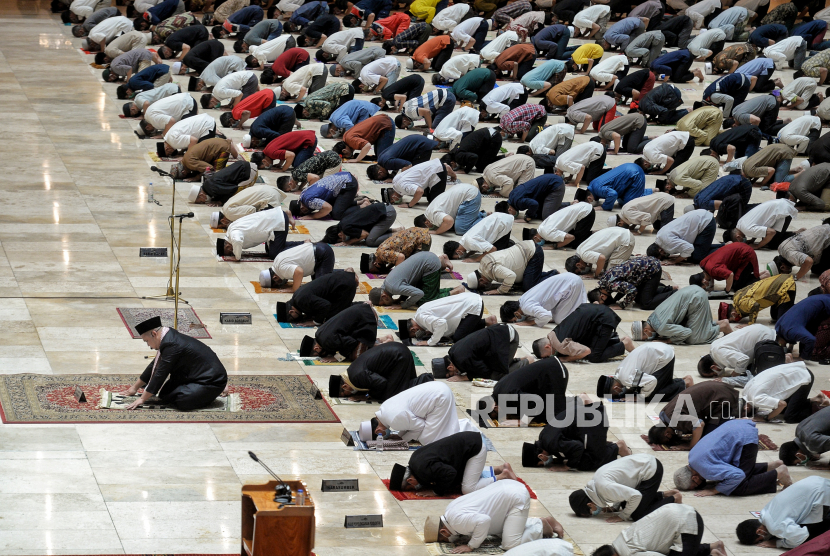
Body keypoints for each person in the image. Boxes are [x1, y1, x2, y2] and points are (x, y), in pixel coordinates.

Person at [121, 316, 228, 411]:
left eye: (147, 341)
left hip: (211, 380)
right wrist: (134, 388)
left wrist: (142, 399)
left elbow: (160, 374)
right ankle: (198, 393)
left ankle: (212, 393)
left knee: (183, 401)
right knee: (165, 394)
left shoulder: (171, 344)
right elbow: (154, 366)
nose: (148, 345)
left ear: (154, 334)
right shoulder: (167, 337)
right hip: (194, 376)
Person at [424, 479, 563, 551]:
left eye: (444, 539)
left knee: (510, 545)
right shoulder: (450, 511)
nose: (449, 541)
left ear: (443, 531)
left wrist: (471, 546)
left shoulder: (457, 523)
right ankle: (535, 523)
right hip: (506, 488)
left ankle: (540, 524)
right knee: (501, 532)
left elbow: (484, 520)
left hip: (515, 498)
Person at [673, 419, 789, 497]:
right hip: (737, 426)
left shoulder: (705, 470)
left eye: (694, 487)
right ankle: (770, 466)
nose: (698, 487)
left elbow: (738, 476)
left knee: (737, 486)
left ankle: (779, 473)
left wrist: (713, 490)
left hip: (745, 438)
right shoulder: (692, 457)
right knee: (729, 477)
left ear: (695, 478)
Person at [389, 431, 517, 496]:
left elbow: (450, 473)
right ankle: (500, 468)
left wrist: (435, 491)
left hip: (474, 448)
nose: (416, 488)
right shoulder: (414, 461)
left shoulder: (425, 470)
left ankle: (503, 476)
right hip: (469, 442)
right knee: (466, 476)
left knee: (467, 489)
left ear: (410, 480)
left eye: (411, 488)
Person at [522, 397, 630, 471]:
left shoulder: (552, 445)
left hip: (594, 420)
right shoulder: (543, 437)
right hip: (588, 414)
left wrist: (567, 467)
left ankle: (618, 447)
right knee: (575, 455)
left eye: (542, 463)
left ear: (541, 456)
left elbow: (578, 447)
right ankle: (599, 442)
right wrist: (560, 460)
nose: (546, 463)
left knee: (586, 462)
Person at [571, 454, 680, 522]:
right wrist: (615, 507)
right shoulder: (596, 484)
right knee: (626, 504)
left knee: (637, 514)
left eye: (591, 512)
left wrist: (622, 516)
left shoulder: (605, 488)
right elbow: (620, 489)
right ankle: (663, 495)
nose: (596, 513)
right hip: (643, 464)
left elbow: (636, 496)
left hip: (650, 470)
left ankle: (674, 498)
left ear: (590, 504)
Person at [365, 381, 473, 445]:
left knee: (428, 440)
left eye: (382, 437)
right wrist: (400, 435)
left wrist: (402, 439)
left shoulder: (393, 420)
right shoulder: (384, 408)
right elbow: (408, 422)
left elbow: (420, 426)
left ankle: (466, 427)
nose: (385, 437)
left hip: (439, 397)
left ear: (378, 431)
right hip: (437, 387)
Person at [736, 476, 830, 549]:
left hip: (821, 493)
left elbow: (801, 536)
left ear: (759, 531)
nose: (762, 541)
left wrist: (778, 543)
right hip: (814, 482)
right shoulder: (765, 512)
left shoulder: (775, 527)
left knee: (810, 539)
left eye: (759, 540)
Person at [594, 505, 726, 556]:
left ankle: (714, 555)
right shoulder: (620, 540)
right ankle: (713, 547)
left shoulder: (633, 554)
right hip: (677, 512)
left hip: (688, 523)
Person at [330, 341, 432, 402]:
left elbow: (382, 382)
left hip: (398, 356)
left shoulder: (357, 377)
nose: (350, 395)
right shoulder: (351, 372)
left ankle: (426, 379)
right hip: (397, 351)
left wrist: (367, 396)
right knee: (402, 383)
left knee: (391, 396)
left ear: (344, 386)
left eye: (346, 394)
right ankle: (421, 383)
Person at [650, 380, 741, 447]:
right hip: (717, 390)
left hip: (722, 398)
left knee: (709, 440)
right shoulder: (663, 414)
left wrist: (691, 446)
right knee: (701, 434)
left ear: (667, 435)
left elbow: (699, 424)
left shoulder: (674, 420)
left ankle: (741, 427)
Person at [532, 303, 629, 363]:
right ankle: (618, 341)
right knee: (591, 346)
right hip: (595, 313)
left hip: (603, 319)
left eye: (547, 355)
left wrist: (566, 359)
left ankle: (625, 344)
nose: (550, 356)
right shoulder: (552, 334)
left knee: (594, 356)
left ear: (547, 346)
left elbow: (586, 351)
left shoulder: (560, 345)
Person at [632, 285, 730, 344]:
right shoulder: (653, 316)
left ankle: (723, 326)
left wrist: (667, 341)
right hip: (693, 290)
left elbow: (687, 332)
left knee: (693, 339)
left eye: (645, 338)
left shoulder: (661, 328)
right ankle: (717, 323)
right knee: (692, 327)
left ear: (646, 330)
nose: (648, 339)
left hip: (696, 298)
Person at [434, 323, 530, 381]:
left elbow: (486, 373)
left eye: (450, 374)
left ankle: (528, 361)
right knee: (493, 366)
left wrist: (464, 377)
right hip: (500, 331)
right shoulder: (453, 351)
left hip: (507, 338)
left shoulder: (463, 360)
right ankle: (515, 360)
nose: (455, 375)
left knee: (497, 375)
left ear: (450, 367)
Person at [597, 343, 690, 402]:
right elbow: (637, 377)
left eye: (616, 394)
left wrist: (639, 398)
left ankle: (685, 383)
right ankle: (679, 382)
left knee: (651, 396)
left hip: (664, 357)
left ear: (616, 388)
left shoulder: (626, 379)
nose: (620, 394)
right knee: (643, 389)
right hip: (659, 349)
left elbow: (652, 381)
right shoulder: (619, 372)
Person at [486, 357, 570, 422]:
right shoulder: (497, 389)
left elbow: (536, 402)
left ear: (495, 406)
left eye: (497, 414)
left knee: (556, 418)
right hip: (548, 367)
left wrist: (522, 422)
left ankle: (581, 400)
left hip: (555, 371)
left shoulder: (509, 396)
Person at [368, 251, 457, 309]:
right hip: (426, 258)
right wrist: (399, 299)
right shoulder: (386, 284)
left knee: (425, 302)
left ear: (384, 296)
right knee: (426, 294)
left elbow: (419, 294)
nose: (386, 305)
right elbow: (406, 287)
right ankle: (442, 262)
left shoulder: (393, 287)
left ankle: (456, 291)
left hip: (430, 265)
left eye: (383, 304)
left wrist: (402, 306)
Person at [399, 291, 492, 347]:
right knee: (453, 333)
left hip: (473, 306)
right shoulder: (419, 313)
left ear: (414, 329)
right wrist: (431, 330)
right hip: (470, 298)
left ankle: (485, 327)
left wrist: (430, 342)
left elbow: (441, 323)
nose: (417, 336)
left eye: (414, 335)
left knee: (458, 338)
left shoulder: (422, 318)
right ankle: (486, 321)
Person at [466, 239, 558, 294]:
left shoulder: (492, 269)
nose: (486, 287)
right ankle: (539, 275)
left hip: (532, 253)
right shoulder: (483, 264)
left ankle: (553, 275)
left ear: (481, 280)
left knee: (529, 287)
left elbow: (511, 276)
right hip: (524, 248)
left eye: (482, 286)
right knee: (520, 282)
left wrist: (500, 291)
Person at [299, 303, 385, 362]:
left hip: (368, 317)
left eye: (318, 354)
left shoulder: (327, 342)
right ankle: (383, 339)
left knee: (357, 356)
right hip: (362, 313)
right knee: (350, 351)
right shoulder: (319, 334)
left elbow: (351, 342)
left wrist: (336, 358)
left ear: (316, 348)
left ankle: (385, 346)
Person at [698, 322, 778, 383]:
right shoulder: (713, 347)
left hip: (766, 339)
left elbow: (743, 359)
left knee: (761, 377)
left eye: (714, 374)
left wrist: (733, 376)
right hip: (762, 330)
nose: (717, 374)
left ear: (713, 367)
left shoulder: (720, 354)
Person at [500, 272, 587, 327]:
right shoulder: (522, 300)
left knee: (560, 320)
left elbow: (546, 316)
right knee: (556, 315)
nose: (518, 320)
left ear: (516, 314)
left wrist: (531, 322)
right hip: (569, 279)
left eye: (515, 319)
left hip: (571, 284)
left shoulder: (526, 307)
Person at [590, 256, 675, 310]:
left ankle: (674, 294)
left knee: (646, 304)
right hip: (644, 268)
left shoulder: (611, 285)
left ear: (602, 296)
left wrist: (622, 305)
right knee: (638, 298)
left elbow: (632, 290)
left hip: (652, 270)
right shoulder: (604, 281)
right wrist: (616, 300)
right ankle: (668, 289)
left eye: (602, 302)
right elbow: (623, 288)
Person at [277, 269, 358, 325]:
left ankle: (363, 305)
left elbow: (326, 305)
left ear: (291, 311)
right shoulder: (296, 297)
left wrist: (315, 322)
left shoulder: (302, 301)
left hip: (345, 285)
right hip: (342, 278)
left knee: (333, 318)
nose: (295, 319)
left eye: (292, 318)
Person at [741, 360, 814, 422]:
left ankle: (818, 410)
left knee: (790, 417)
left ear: (746, 408)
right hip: (795, 370)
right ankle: (815, 399)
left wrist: (765, 418)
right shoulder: (745, 391)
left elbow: (783, 404)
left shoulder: (756, 399)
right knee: (779, 410)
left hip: (803, 377)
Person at [217, 207, 299, 261]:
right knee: (270, 250)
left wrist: (236, 257)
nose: (232, 252)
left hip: (278, 222)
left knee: (275, 254)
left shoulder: (234, 234)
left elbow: (237, 241)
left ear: (227, 247)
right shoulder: (231, 228)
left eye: (230, 252)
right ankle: (286, 215)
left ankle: (303, 244)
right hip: (274, 216)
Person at [259, 240, 335, 292]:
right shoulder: (276, 261)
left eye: (277, 284)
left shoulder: (281, 270)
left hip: (322, 255)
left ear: (275, 277)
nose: (282, 284)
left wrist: (294, 289)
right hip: (319, 248)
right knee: (314, 286)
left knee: (322, 288)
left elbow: (299, 271)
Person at [649, 209, 718, 265]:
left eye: (662, 256)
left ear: (660, 250)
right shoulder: (659, 237)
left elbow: (689, 248)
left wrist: (675, 261)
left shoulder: (667, 243)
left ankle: (724, 247)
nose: (664, 256)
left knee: (697, 257)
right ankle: (723, 245)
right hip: (700, 216)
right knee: (696, 251)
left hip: (706, 222)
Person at [724, 273, 797, 325]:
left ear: (733, 314)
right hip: (779, 281)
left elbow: (755, 305)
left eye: (733, 320)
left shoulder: (741, 304)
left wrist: (750, 324)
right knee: (774, 316)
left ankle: (799, 309)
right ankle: (789, 307)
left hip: (786, 286)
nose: (736, 320)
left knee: (782, 323)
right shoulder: (736, 296)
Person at [729, 198, 799, 250]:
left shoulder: (747, 229)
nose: (743, 242)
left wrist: (757, 246)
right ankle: (794, 233)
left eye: (741, 241)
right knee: (766, 238)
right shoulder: (739, 223)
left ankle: (798, 234)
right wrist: (753, 240)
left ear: (738, 237)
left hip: (783, 211)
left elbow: (772, 232)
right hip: (780, 205)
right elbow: (757, 224)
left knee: (773, 244)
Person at [565, 227, 636, 279]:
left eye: (580, 270)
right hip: (620, 233)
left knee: (611, 274)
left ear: (578, 264)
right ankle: (628, 257)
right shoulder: (579, 250)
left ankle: (637, 260)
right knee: (605, 268)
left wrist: (595, 275)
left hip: (625, 240)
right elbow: (593, 255)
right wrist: (590, 266)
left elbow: (602, 258)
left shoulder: (584, 255)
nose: (583, 271)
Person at [691, 242, 761, 293]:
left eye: (704, 287)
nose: (707, 287)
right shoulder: (703, 264)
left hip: (746, 254)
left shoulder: (714, 269)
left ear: (704, 281)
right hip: (738, 247)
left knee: (737, 287)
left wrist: (727, 291)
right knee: (734, 282)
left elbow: (730, 275)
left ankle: (764, 276)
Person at [288, 171, 360, 221]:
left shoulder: (309, 201)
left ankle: (362, 206)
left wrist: (312, 216)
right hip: (342, 177)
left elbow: (328, 208)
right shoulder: (303, 194)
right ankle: (360, 202)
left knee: (337, 214)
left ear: (303, 209)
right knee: (335, 207)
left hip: (348, 184)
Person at [776, 295, 830, 360]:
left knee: (814, 353)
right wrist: (790, 347)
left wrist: (802, 358)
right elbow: (791, 334)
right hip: (819, 300)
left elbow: (811, 340)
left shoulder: (791, 330)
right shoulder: (778, 325)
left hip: (826, 304)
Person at [444, 212, 515, 262]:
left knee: (496, 256)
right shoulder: (464, 239)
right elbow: (476, 245)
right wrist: (469, 254)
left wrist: (475, 260)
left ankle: (512, 246)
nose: (459, 257)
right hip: (498, 218)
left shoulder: (471, 242)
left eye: (457, 257)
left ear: (458, 251)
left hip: (503, 222)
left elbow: (493, 249)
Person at [361, 227, 432, 275]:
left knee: (415, 268)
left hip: (422, 239)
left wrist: (393, 275)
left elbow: (400, 257)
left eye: (374, 271)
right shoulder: (379, 252)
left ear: (375, 264)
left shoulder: (383, 254)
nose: (377, 272)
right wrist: (387, 269)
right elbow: (394, 257)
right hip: (418, 234)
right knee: (408, 264)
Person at [383, 159, 453, 208]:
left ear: (393, 197)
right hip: (431, 165)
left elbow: (420, 191)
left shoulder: (403, 187)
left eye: (393, 201)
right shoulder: (395, 180)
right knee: (429, 198)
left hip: (437, 171)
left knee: (435, 202)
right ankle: (445, 167)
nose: (396, 201)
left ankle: (446, 169)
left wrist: (410, 205)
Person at [524, 201, 595, 249]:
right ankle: (586, 232)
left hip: (586, 212)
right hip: (581, 206)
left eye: (535, 242)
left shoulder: (547, 234)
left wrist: (554, 246)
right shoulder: (541, 227)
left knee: (575, 244)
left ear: (535, 237)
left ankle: (596, 234)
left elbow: (571, 237)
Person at [322, 202, 398, 247]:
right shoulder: (343, 223)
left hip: (387, 214)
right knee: (371, 234)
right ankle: (394, 230)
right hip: (384, 209)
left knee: (370, 241)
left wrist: (348, 242)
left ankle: (398, 234)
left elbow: (365, 234)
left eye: (340, 240)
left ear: (340, 235)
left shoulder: (346, 229)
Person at [250, 129, 317, 172]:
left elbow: (291, 155)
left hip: (308, 140)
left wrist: (283, 169)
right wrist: (280, 164)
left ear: (264, 161)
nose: (267, 166)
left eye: (265, 166)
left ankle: (318, 156)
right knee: (292, 162)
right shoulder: (267, 150)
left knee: (298, 166)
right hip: (306, 137)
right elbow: (284, 151)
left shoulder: (272, 153)